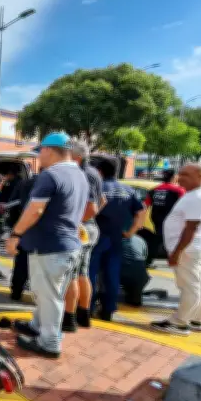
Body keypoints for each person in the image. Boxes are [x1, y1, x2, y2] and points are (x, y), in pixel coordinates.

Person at [5, 132, 87, 358]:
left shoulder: (50, 175)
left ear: (49, 150)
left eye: (40, 151)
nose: (39, 156)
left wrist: (15, 234)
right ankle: (37, 325)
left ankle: (49, 342)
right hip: (67, 245)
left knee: (49, 296)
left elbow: (35, 210)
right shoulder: (79, 174)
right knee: (48, 292)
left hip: (50, 248)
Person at [151, 164, 201, 335]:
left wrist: (177, 252)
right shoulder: (197, 194)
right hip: (191, 248)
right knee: (197, 282)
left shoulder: (198, 197)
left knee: (189, 286)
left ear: (200, 176)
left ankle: (180, 323)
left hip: (187, 249)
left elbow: (191, 228)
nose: (180, 178)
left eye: (186, 174)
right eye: (180, 174)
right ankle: (196, 319)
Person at [89, 158, 146, 321]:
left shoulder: (97, 188)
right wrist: (130, 232)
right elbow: (141, 212)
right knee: (112, 274)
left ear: (99, 171)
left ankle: (88, 307)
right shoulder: (128, 190)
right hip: (116, 238)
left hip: (96, 237)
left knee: (90, 272)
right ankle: (108, 309)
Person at [62, 141, 106, 331]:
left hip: (80, 229)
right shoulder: (94, 173)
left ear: (76, 157)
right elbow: (102, 200)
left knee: (71, 274)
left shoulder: (82, 174)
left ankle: (69, 318)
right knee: (82, 272)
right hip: (90, 228)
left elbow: (93, 207)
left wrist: (76, 222)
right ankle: (83, 314)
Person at [144, 170, 185, 264]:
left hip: (156, 218)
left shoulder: (154, 190)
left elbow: (145, 205)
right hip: (171, 219)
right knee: (171, 239)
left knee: (159, 238)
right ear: (174, 177)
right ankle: (150, 260)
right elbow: (185, 204)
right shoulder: (178, 190)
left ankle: (149, 260)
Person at [8, 173, 38, 300]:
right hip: (41, 229)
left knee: (21, 260)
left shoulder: (23, 183)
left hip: (23, 226)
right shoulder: (52, 184)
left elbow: (12, 204)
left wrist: (14, 226)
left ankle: (16, 290)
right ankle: (38, 294)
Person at [121, 234, 151, 307]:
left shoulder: (115, 238)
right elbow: (145, 257)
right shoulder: (140, 239)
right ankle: (135, 296)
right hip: (141, 275)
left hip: (122, 273)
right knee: (135, 298)